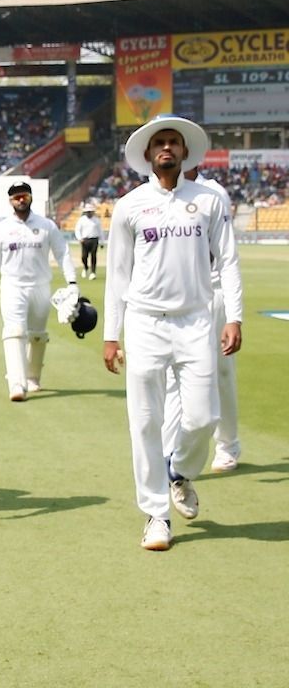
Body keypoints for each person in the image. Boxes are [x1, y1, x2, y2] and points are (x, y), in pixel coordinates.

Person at [103, 115, 242, 551]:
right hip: (144, 322)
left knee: (203, 417)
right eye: (159, 143)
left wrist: (233, 316)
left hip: (197, 320)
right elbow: (117, 274)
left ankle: (178, 470)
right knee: (145, 421)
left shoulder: (209, 199)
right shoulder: (130, 205)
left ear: (185, 153)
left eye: (174, 143)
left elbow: (229, 262)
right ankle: (156, 515)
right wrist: (111, 334)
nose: (166, 148)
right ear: (148, 155)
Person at [160, 164, 244, 473]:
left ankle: (228, 445)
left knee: (221, 373)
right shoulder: (154, 193)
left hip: (212, 293)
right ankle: (170, 455)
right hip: (177, 299)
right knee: (173, 376)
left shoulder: (213, 193)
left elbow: (225, 256)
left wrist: (234, 316)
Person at [0, 182, 77, 401]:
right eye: (16, 197)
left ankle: (33, 377)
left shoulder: (46, 226)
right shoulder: (2, 228)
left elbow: (62, 253)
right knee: (14, 331)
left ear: (31, 197)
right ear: (10, 201)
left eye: (24, 196)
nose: (20, 200)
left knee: (37, 335)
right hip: (13, 286)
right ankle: (17, 383)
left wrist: (72, 282)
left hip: (41, 286)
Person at [74, 202, 102, 279]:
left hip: (94, 239)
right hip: (85, 240)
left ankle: (93, 272)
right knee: (84, 257)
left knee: (93, 256)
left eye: (90, 211)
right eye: (88, 212)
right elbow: (77, 230)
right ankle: (85, 268)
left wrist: (102, 241)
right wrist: (80, 238)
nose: (89, 213)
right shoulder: (81, 220)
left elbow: (100, 231)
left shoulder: (96, 220)